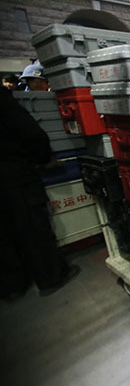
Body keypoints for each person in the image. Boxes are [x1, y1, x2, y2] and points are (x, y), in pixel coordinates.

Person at [0, 86, 80, 299]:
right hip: (12, 173)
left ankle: (12, 286)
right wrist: (44, 157)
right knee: (32, 227)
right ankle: (51, 276)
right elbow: (27, 130)